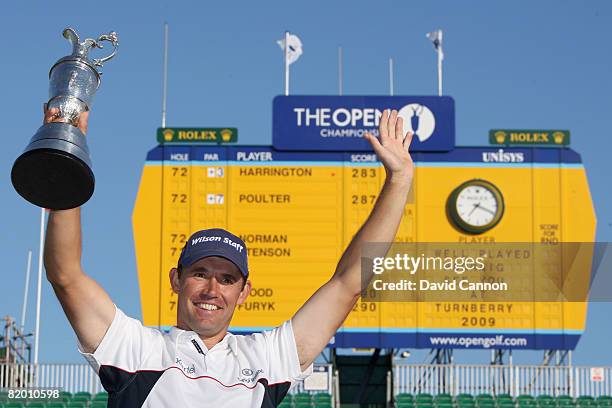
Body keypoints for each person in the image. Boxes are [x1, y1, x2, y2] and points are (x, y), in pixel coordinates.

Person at [43, 106, 414, 407]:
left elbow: (348, 283)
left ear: (245, 291)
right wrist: (66, 148)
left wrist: (399, 181)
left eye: (227, 279)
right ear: (176, 279)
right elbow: (65, 275)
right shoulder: (136, 349)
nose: (211, 289)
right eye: (200, 273)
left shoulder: (265, 359)